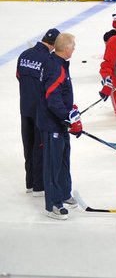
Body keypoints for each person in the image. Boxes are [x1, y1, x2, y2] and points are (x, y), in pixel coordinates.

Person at [38, 32, 79, 219]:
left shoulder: (60, 63)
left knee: (63, 159)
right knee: (53, 164)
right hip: (52, 123)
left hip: (60, 122)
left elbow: (60, 95)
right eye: (73, 45)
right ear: (66, 48)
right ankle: (53, 204)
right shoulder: (55, 67)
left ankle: (63, 193)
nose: (75, 48)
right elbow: (52, 100)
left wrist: (71, 110)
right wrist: (67, 115)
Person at [17, 28, 59, 196]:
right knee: (39, 146)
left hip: (25, 106)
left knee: (28, 144)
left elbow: (19, 76)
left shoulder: (24, 54)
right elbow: (49, 87)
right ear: (55, 45)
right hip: (40, 110)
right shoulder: (48, 59)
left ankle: (29, 183)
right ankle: (38, 186)